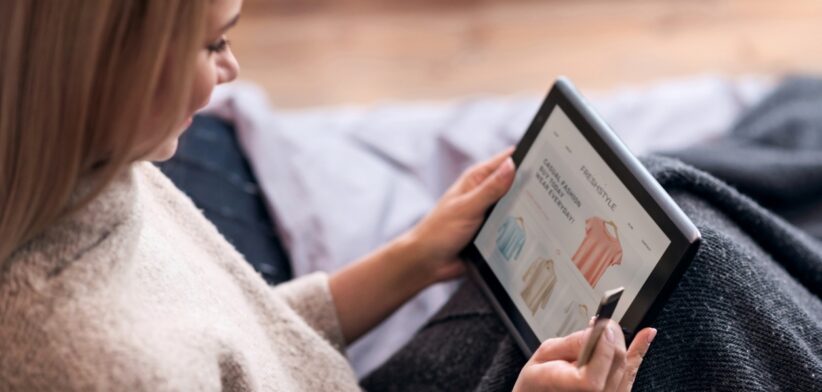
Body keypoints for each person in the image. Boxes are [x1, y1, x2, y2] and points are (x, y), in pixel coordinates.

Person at [0, 0, 656, 390]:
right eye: (214, 41)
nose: (232, 71)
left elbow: (239, 343)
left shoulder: (95, 171)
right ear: (106, 68)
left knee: (679, 190)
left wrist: (410, 259)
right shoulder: (100, 365)